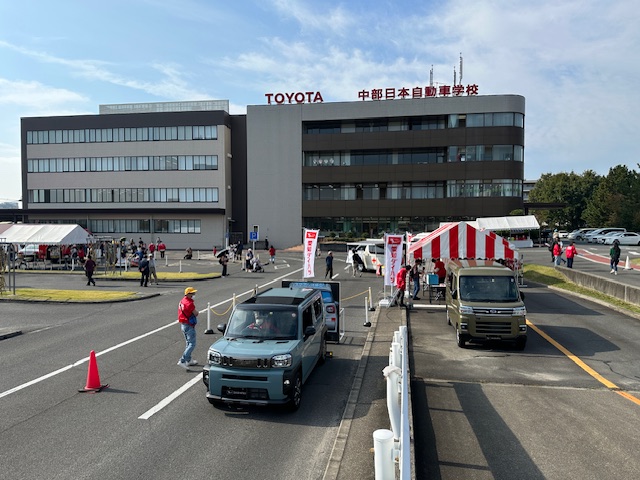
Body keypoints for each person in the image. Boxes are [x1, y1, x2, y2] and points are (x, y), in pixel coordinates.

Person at [177, 287, 199, 368]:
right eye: (192, 293)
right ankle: (182, 360)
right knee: (192, 344)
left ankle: (189, 360)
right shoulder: (189, 304)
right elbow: (196, 313)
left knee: (188, 342)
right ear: (188, 294)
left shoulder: (182, 301)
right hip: (189, 324)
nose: (194, 295)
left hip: (183, 324)